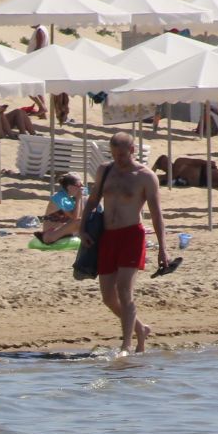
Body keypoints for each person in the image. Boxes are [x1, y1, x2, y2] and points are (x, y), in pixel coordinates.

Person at [80, 132, 169, 356]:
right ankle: (141, 328)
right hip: (108, 236)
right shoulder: (105, 170)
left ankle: (127, 345)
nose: (119, 159)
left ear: (133, 150)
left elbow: (157, 215)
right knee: (108, 297)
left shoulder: (145, 176)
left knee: (124, 291)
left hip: (132, 236)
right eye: (114, 154)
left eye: (122, 154)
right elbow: (92, 200)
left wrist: (163, 249)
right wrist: (82, 228)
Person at [153, 154, 218, 189]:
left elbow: (196, 161)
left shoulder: (179, 162)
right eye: (163, 164)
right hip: (202, 183)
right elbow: (153, 178)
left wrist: (207, 163)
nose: (166, 165)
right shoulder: (167, 176)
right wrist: (154, 168)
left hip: (205, 172)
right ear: (161, 167)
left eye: (166, 161)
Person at [39, 172, 83, 243]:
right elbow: (75, 218)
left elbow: (80, 214)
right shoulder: (60, 198)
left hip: (60, 232)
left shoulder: (69, 198)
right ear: (69, 187)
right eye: (79, 185)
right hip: (50, 235)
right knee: (80, 221)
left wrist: (81, 198)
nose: (82, 187)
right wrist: (79, 198)